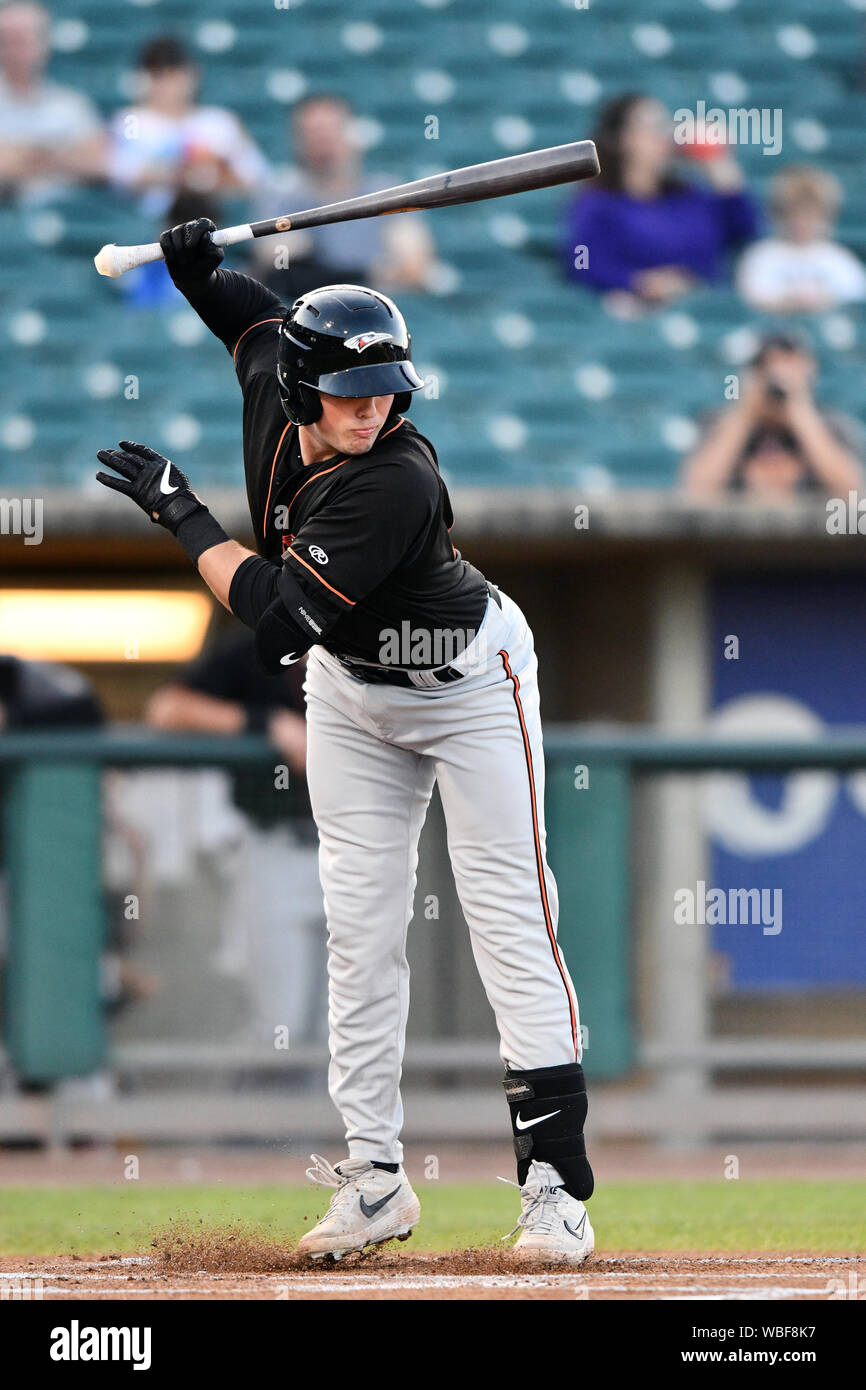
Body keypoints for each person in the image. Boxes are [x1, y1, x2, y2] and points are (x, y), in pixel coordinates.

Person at [94, 217, 595, 1265]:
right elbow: (247, 319)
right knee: (359, 930)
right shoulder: (278, 367)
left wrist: (181, 513)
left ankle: (553, 1185)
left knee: (510, 912)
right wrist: (197, 270)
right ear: (301, 390)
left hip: (465, 681)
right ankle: (373, 1179)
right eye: (350, 394)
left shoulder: (394, 475)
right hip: (353, 694)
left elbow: (275, 616)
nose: (372, 409)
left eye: (385, 391)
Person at [144, 627, 326, 1044]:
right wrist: (262, 721)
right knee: (281, 1026)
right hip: (277, 843)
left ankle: (320, 1112)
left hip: (360, 850)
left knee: (339, 1032)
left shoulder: (378, 637)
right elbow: (165, 709)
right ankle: (256, 1112)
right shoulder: (256, 649)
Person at [562, 92, 758, 310]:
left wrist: (717, 160)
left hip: (700, 310)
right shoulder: (598, 203)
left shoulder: (690, 198)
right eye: (653, 127)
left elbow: (745, 230)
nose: (663, 137)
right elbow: (581, 262)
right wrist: (637, 282)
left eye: (666, 127)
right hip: (632, 315)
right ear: (621, 139)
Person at [250, 92, 436, 300]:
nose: (323, 141)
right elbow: (277, 260)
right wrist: (369, 272)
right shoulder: (281, 193)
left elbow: (413, 267)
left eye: (331, 130)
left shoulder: (387, 192)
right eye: (311, 133)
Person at [681, 333, 863, 498]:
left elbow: (853, 493)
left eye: (789, 365)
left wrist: (801, 415)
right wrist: (744, 414)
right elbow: (695, 492)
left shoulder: (831, 424)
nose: (777, 376)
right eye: (765, 365)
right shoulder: (721, 422)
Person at [107, 35, 268, 220]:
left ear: (192, 75)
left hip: (216, 216)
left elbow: (254, 176)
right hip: (156, 221)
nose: (168, 84)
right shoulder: (131, 119)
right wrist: (181, 175)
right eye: (158, 75)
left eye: (174, 73)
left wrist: (212, 175)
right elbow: (121, 173)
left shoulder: (221, 121)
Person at [0, 1, 105, 203]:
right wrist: (58, 154)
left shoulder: (71, 105)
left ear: (43, 42)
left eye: (23, 40)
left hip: (67, 212)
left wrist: (20, 155)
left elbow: (97, 163)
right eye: (6, 40)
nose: (14, 50)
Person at [736, 166, 866, 314]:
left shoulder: (840, 259)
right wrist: (788, 301)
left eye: (811, 214)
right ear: (780, 214)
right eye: (795, 213)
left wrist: (823, 300)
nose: (802, 222)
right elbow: (752, 297)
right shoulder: (761, 256)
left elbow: (854, 298)